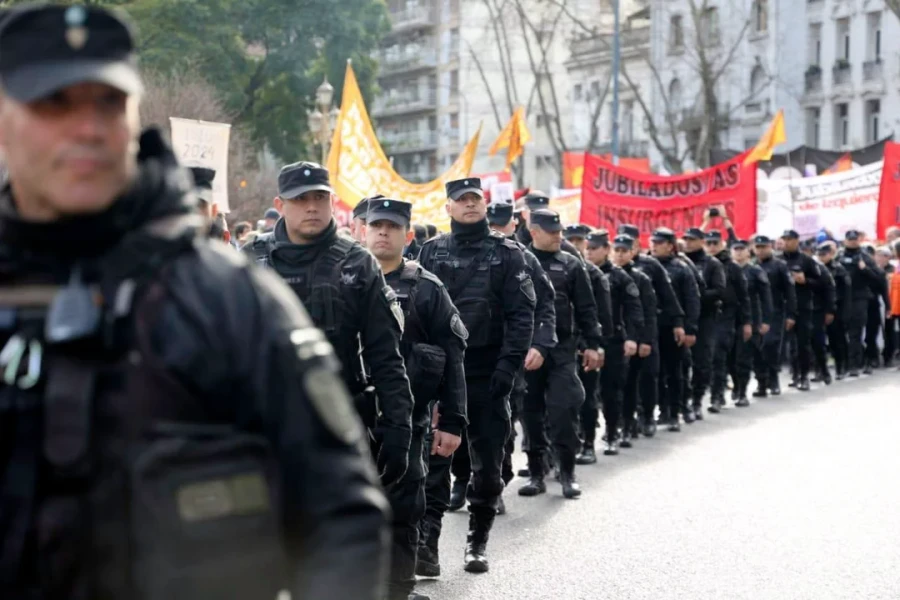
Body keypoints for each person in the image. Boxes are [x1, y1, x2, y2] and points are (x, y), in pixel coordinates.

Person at [0, 5, 389, 599]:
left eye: (108, 103)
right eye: (54, 103)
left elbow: (341, 514)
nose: (87, 128)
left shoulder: (226, 294)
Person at [243, 162, 415, 493]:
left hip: (339, 423)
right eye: (300, 199)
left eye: (320, 198)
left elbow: (386, 354)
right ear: (280, 205)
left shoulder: (357, 262)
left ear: (332, 201)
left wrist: (397, 427)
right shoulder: (251, 259)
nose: (311, 207)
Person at [417, 177, 534, 573]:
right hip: (441, 374)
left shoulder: (507, 253)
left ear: (484, 205)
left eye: (475, 199)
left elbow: (522, 316)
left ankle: (477, 543)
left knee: (487, 466)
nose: (469, 205)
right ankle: (427, 546)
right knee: (432, 465)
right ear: (447, 208)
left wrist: (509, 366)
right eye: (460, 200)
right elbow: (418, 311)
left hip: (487, 373)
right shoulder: (431, 252)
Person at [364, 199, 467, 600]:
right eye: (376, 226)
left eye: (392, 227)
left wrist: (454, 422)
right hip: (356, 413)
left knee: (406, 504)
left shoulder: (427, 288)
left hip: (409, 416)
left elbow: (454, 356)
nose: (383, 233)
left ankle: (398, 589)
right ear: (363, 231)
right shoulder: (347, 280)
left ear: (408, 236)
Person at [519, 210, 602, 498]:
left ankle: (567, 472)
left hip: (563, 349)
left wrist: (592, 344)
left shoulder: (571, 264)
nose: (559, 236)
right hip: (527, 350)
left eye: (559, 231)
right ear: (535, 231)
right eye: (552, 231)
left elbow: (587, 308)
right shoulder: (519, 262)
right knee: (530, 413)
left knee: (564, 408)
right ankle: (536, 472)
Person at [482, 200, 557, 513]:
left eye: (504, 225)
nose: (499, 231)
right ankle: (467, 482)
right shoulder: (463, 253)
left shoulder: (523, 257)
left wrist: (539, 344)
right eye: (493, 225)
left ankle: (497, 485)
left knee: (504, 421)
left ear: (516, 225)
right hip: (472, 354)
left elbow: (545, 303)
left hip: (511, 355)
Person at [617, 224, 684, 435]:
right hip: (622, 333)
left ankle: (650, 415)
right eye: (617, 245)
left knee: (650, 376)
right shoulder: (609, 270)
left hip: (650, 329)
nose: (621, 249)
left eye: (627, 243)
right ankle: (626, 420)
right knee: (625, 380)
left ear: (636, 245)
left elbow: (667, 296)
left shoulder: (650, 267)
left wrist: (680, 323)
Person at [583, 230, 643, 454]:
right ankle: (585, 437)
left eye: (594, 248)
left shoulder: (620, 276)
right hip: (588, 340)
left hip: (614, 341)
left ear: (606, 249)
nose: (589, 252)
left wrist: (632, 338)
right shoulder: (582, 272)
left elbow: (634, 309)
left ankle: (612, 432)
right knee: (586, 392)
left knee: (612, 390)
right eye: (587, 248)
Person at [649, 228, 700, 430]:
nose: (654, 245)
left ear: (670, 246)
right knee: (656, 372)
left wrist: (690, 328)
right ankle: (662, 410)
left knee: (675, 371)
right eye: (653, 242)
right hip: (653, 327)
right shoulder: (646, 266)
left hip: (674, 328)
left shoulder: (682, 268)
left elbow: (692, 300)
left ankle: (676, 411)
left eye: (659, 242)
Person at [702, 230, 751, 411]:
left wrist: (747, 322)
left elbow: (744, 297)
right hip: (707, 316)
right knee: (713, 359)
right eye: (709, 243)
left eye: (715, 243)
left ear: (722, 244)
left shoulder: (732, 267)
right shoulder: (703, 264)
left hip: (729, 316)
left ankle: (735, 390)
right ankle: (718, 394)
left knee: (729, 358)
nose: (712, 247)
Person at [682, 227, 726, 417]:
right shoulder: (680, 262)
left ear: (701, 241)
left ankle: (697, 400)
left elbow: (719, 290)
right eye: (686, 239)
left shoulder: (712, 264)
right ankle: (680, 401)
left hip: (705, 319)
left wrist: (694, 296)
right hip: (682, 319)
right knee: (680, 364)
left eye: (692, 239)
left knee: (702, 361)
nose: (688, 243)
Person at [752, 235, 796, 396]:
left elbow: (790, 291)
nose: (761, 250)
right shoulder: (752, 266)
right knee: (756, 348)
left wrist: (791, 314)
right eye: (758, 247)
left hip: (775, 312)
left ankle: (773, 378)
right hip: (755, 312)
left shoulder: (779, 266)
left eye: (764, 246)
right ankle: (761, 382)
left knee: (771, 345)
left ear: (770, 247)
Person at [730, 240, 773, 404]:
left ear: (748, 252)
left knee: (747, 356)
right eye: (736, 249)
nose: (739, 253)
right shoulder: (727, 270)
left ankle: (746, 390)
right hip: (731, 319)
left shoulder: (755, 271)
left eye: (742, 249)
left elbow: (765, 298)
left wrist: (766, 320)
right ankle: (737, 385)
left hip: (753, 319)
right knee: (731, 358)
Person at [780, 229, 822, 391]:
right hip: (783, 307)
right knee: (789, 344)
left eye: (790, 239)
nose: (787, 242)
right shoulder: (778, 260)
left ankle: (804, 376)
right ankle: (794, 374)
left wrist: (806, 281)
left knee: (803, 343)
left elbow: (820, 283)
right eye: (784, 239)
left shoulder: (807, 260)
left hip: (803, 307)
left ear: (797, 240)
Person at [838, 230, 883, 376]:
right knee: (840, 332)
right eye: (849, 239)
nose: (852, 241)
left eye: (854, 239)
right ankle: (845, 362)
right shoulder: (839, 256)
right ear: (845, 240)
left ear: (859, 240)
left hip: (859, 298)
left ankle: (854, 365)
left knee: (855, 333)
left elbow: (878, 277)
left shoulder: (865, 257)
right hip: (842, 298)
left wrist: (865, 269)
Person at [818, 241, 851, 379]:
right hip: (819, 308)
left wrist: (843, 312)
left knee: (837, 340)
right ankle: (821, 369)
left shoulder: (838, 269)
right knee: (818, 341)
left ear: (831, 254)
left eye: (824, 254)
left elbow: (846, 292)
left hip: (836, 309)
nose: (821, 257)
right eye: (819, 254)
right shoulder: (815, 269)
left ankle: (841, 366)